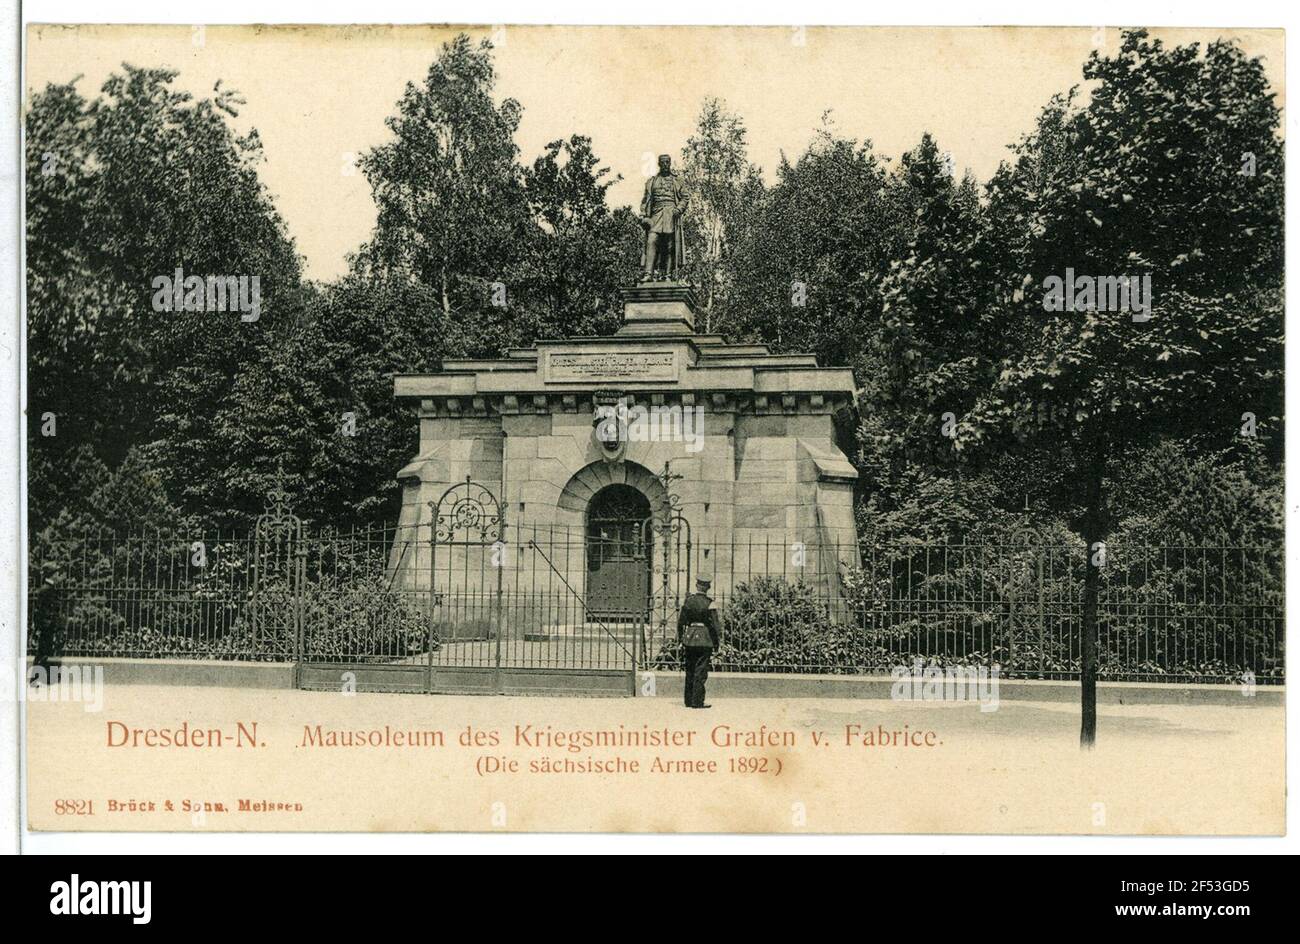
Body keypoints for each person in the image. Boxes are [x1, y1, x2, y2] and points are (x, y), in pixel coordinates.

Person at [640, 153, 688, 281]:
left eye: (668, 162)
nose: (666, 165)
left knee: (670, 245)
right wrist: (643, 215)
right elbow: (645, 200)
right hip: (655, 215)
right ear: (659, 164)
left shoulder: (677, 180)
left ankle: (667, 275)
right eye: (663, 162)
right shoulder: (651, 182)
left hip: (671, 214)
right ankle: (648, 274)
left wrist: (679, 209)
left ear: (670, 163)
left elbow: (685, 197)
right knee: (651, 240)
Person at [677, 576, 721, 709]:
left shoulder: (688, 601)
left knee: (690, 669)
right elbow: (715, 626)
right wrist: (717, 643)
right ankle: (697, 701)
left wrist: (681, 639)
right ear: (708, 587)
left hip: (690, 638)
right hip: (704, 638)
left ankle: (688, 700)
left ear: (696, 586)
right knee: (701, 671)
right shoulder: (710, 603)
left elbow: (681, 623)